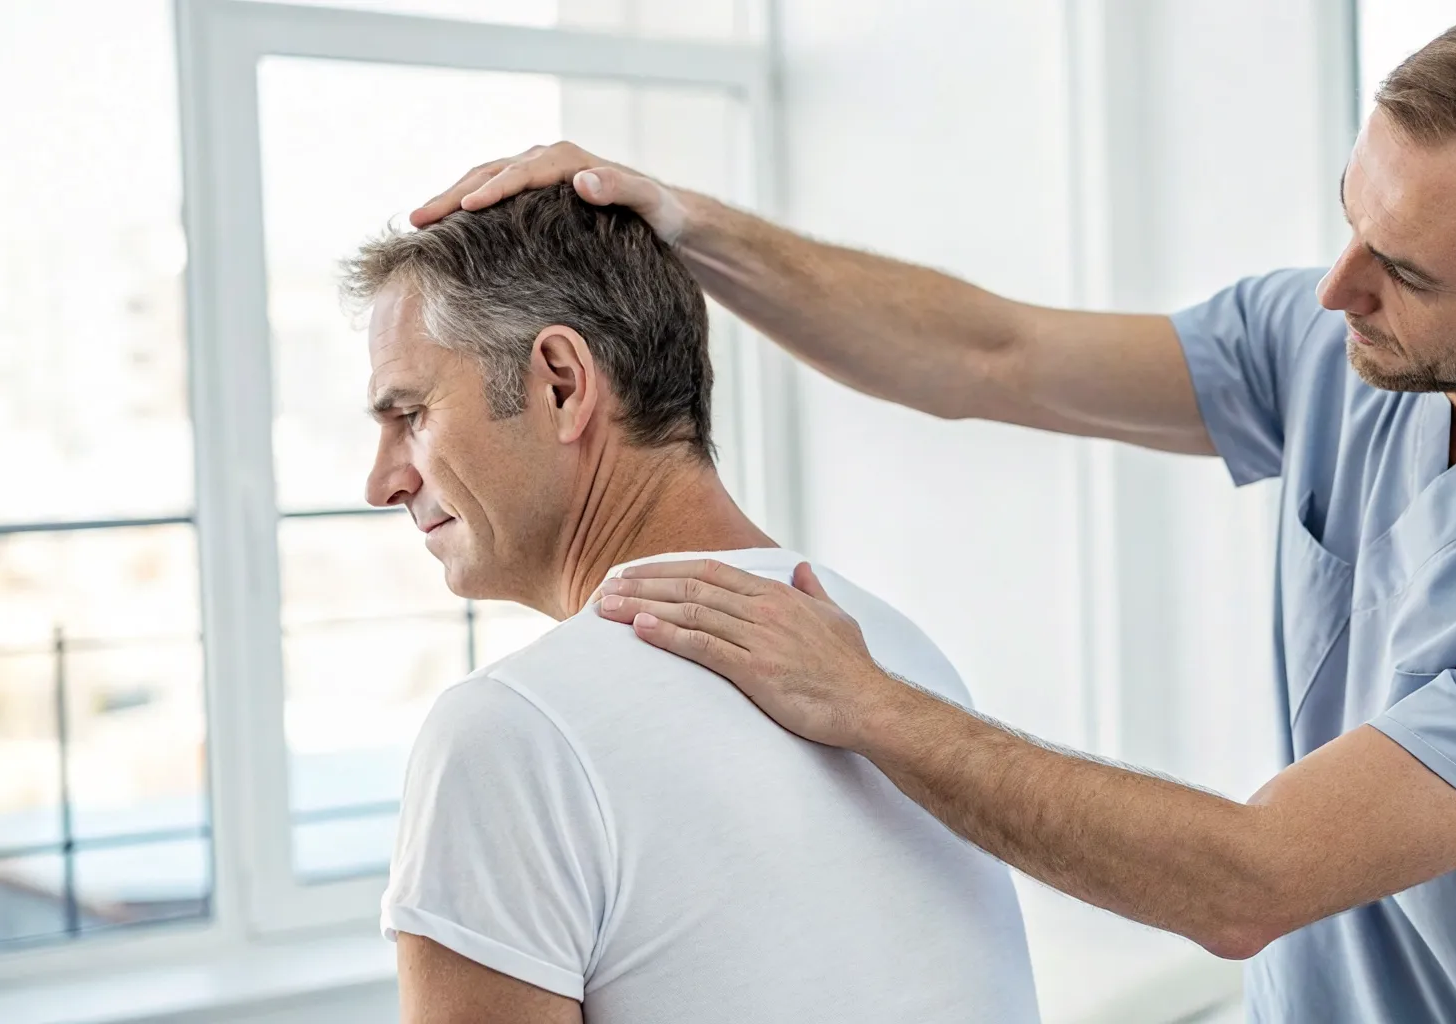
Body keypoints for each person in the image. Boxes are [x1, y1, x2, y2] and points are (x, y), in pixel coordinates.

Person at [416, 5, 1456, 1021]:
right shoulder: (1353, 352)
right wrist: (694, 223)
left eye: (1405, 271)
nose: (1334, 291)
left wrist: (868, 698)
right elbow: (987, 357)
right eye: (1349, 218)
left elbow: (1248, 881)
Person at [352, 183, 1039, 1024]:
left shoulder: (512, 733)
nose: (384, 481)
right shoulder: (892, 647)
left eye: (411, 414)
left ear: (562, 385)